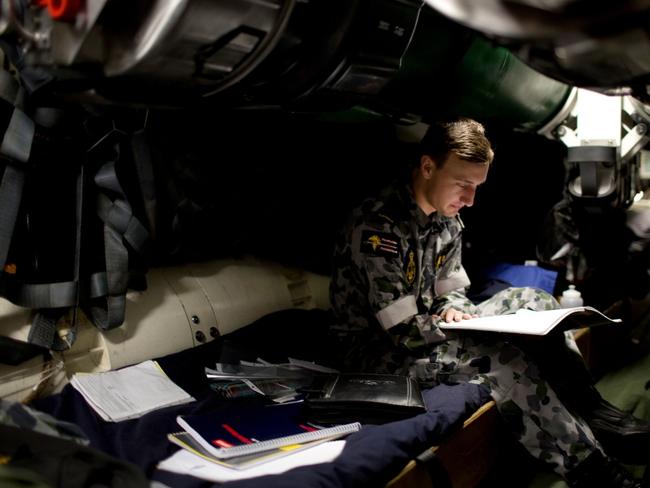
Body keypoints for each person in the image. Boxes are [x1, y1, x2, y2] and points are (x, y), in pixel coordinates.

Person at [330, 118, 650, 487]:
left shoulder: (446, 220)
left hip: (424, 328)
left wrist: (453, 308)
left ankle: (594, 413)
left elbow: (449, 289)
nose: (470, 199)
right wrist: (476, 332)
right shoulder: (378, 228)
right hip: (375, 351)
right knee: (498, 358)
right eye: (463, 184)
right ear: (428, 167)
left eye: (477, 187)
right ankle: (593, 469)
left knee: (534, 300)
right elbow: (404, 333)